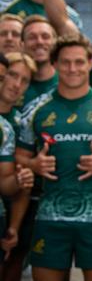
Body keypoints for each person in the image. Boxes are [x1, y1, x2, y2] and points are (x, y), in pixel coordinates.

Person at [15, 33, 92, 281]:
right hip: (49, 217)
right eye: (65, 62)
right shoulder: (36, 109)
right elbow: (17, 159)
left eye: (79, 62)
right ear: (54, 65)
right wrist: (33, 164)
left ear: (90, 63)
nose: (73, 68)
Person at [0, 53, 36, 280]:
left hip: (9, 208)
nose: (16, 84)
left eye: (24, 80)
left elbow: (24, 179)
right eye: (12, 75)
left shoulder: (21, 123)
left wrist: (13, 226)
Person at [19, 15, 58, 109]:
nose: (39, 42)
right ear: (22, 45)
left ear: (55, 42)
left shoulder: (68, 82)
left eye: (45, 37)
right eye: (32, 37)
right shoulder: (12, 85)